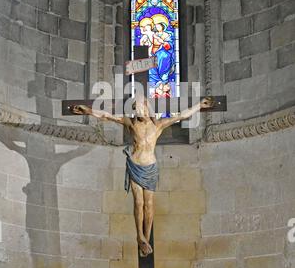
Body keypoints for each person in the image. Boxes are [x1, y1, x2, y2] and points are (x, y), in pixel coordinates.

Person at [71, 96, 215, 257]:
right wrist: (89, 111)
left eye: (140, 107)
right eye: (135, 108)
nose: (138, 111)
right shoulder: (131, 124)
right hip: (135, 165)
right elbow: (107, 115)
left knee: (149, 204)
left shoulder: (158, 125)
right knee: (138, 203)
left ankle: (146, 238)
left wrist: (199, 106)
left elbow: (182, 115)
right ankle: (139, 235)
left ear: (147, 108)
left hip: (150, 168)